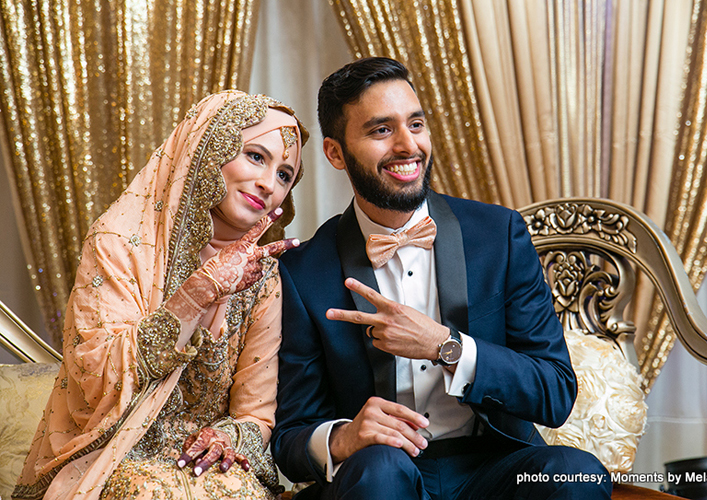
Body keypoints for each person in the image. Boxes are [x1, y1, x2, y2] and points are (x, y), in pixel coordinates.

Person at [271, 57, 612, 499]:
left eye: (415, 124)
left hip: (494, 466)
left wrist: (445, 347)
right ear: (336, 152)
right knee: (380, 473)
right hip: (380, 473)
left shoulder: (498, 236)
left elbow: (555, 391)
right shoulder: (303, 272)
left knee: (575, 473)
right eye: (381, 130)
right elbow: (289, 438)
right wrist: (342, 438)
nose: (407, 145)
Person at [13, 91, 308, 500]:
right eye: (256, 156)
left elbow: (255, 413)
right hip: (113, 458)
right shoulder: (119, 244)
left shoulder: (262, 276)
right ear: (208, 149)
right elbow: (96, 380)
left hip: (210, 471)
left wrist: (228, 439)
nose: (268, 184)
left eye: (284, 175)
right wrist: (201, 291)